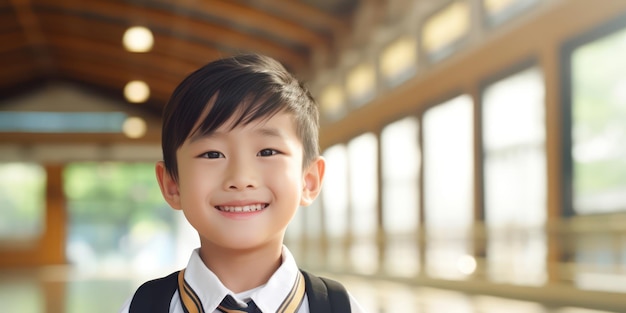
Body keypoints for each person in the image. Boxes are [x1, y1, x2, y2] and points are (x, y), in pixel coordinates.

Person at [119, 53, 365, 313]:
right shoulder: (142, 307)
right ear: (172, 185)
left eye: (268, 152)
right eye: (212, 154)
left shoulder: (339, 306)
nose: (240, 179)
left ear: (309, 180)